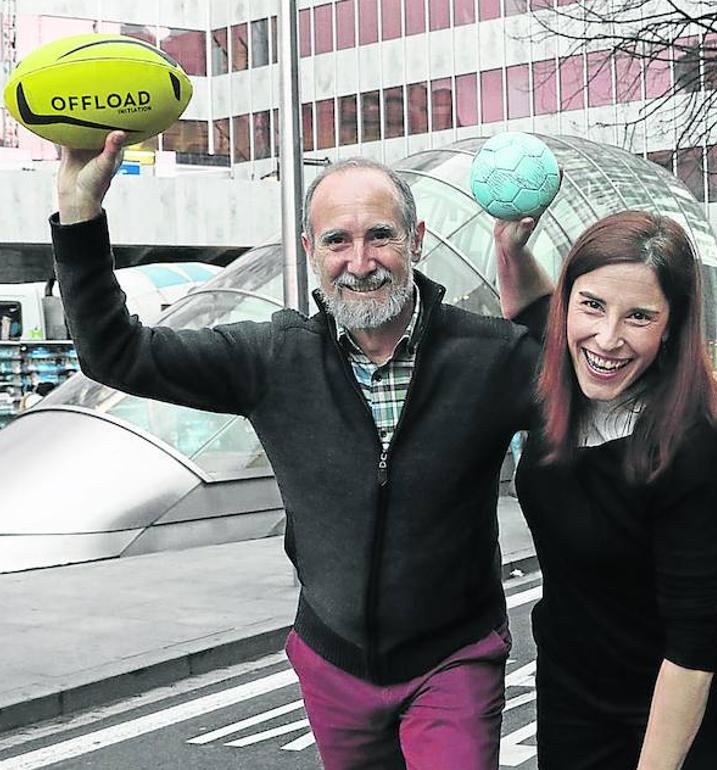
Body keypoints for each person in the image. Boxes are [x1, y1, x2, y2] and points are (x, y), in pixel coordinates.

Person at [52, 131, 553, 769]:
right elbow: (115, 352)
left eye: (381, 236)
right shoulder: (271, 358)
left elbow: (578, 387)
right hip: (333, 667)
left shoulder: (490, 356)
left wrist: (518, 264)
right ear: (311, 251)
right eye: (339, 241)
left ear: (417, 240)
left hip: (451, 659)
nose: (362, 260)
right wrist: (79, 217)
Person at [506, 211, 717, 769]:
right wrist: (512, 248)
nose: (607, 339)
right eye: (592, 305)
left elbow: (694, 645)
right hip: (573, 705)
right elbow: (528, 310)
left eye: (640, 316)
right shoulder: (554, 382)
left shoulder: (695, 442)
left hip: (679, 714)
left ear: (672, 325)